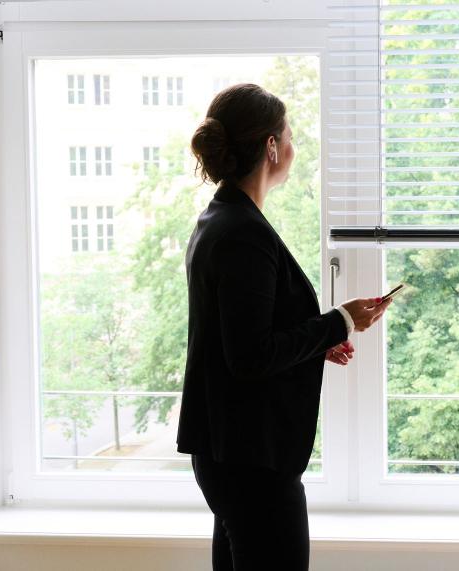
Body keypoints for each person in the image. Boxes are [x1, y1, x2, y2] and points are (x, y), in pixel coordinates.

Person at [178, 83, 391, 571]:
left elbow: (236, 336)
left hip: (231, 453)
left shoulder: (222, 219)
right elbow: (249, 357)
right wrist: (341, 321)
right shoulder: (243, 233)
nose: (294, 146)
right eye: (290, 134)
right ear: (272, 147)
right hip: (251, 459)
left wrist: (315, 343)